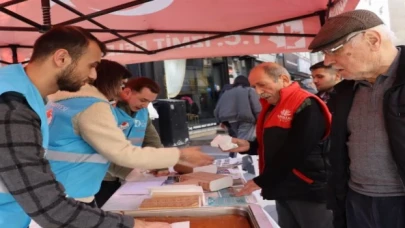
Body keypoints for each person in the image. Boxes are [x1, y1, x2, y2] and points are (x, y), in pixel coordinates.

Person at [0, 25, 169, 228]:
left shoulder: (24, 93)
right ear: (61, 58)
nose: (94, 76)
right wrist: (137, 226)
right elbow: (50, 207)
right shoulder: (12, 105)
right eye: (91, 65)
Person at [46, 61, 213, 208]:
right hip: (75, 188)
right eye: (120, 85)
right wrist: (179, 155)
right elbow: (118, 152)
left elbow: (95, 149)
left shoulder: (63, 102)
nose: (121, 91)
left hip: (61, 187)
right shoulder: (94, 107)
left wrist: (156, 166)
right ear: (109, 82)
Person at [308, 9, 405, 228]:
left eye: (335, 50)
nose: (328, 61)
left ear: (373, 40)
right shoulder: (345, 91)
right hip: (356, 201)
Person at [226, 63, 333, 228]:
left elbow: (297, 149)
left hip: (307, 189)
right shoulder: (273, 106)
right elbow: (277, 143)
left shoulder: (307, 104)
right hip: (282, 186)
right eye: (254, 86)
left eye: (262, 84)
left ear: (283, 79)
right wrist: (250, 146)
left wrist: (263, 180)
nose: (258, 92)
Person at [95, 77, 171, 207]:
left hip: (129, 177)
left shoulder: (142, 112)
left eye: (149, 102)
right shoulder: (106, 110)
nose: (145, 105)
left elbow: (152, 140)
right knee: (108, 214)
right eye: (143, 100)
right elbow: (100, 148)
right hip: (103, 177)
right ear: (128, 92)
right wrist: (126, 171)